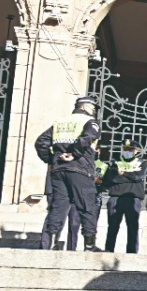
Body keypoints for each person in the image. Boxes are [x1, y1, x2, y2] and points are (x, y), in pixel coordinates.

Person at [34, 95, 102, 251]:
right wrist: (74, 154)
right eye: (93, 108)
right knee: (87, 206)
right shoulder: (89, 122)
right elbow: (88, 138)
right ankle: (89, 245)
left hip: (59, 170)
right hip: (80, 168)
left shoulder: (60, 122)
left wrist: (52, 159)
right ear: (85, 107)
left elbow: (41, 142)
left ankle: (51, 242)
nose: (94, 111)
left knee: (58, 206)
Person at [103, 140, 145, 254]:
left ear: (135, 151)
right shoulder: (115, 162)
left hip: (133, 198)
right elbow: (110, 178)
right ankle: (108, 250)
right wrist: (129, 176)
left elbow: (138, 177)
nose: (127, 152)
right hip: (115, 197)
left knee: (132, 228)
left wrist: (123, 174)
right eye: (125, 149)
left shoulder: (141, 162)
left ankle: (132, 253)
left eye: (130, 150)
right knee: (112, 226)